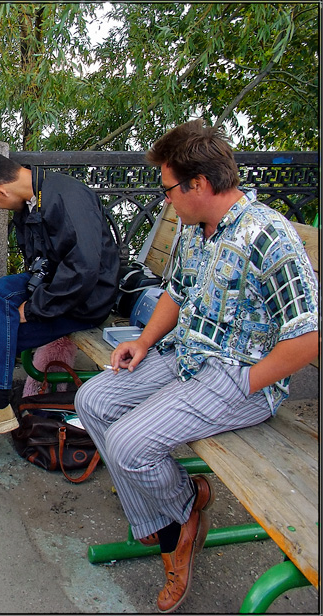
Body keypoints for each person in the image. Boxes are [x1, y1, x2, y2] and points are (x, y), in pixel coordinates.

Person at [75, 120, 319, 613]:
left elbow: (308, 338)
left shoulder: (267, 235)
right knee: (92, 399)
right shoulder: (195, 230)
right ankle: (178, 511)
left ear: (199, 184)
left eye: (168, 189)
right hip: (186, 355)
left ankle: (178, 525)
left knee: (128, 443)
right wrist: (143, 342)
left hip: (238, 375)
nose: (165, 200)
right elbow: (176, 294)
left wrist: (248, 384)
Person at [0, 151, 121, 464]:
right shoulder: (32, 199)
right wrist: (32, 297)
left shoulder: (65, 198)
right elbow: (41, 263)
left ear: (0, 191)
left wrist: (32, 309)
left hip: (84, 300)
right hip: (54, 286)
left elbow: (84, 270)